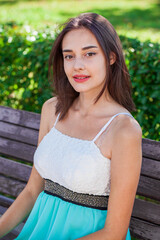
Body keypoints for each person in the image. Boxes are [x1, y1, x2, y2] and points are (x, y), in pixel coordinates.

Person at [0, 12, 142, 240]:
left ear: (111, 57)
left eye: (89, 54)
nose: (77, 65)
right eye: (69, 56)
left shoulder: (123, 129)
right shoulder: (52, 110)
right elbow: (31, 192)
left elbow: (114, 232)